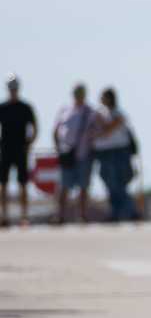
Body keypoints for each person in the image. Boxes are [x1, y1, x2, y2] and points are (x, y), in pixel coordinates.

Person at [50, 84, 103, 226]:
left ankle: (82, 216)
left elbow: (98, 130)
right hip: (66, 154)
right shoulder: (64, 110)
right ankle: (60, 215)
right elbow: (55, 130)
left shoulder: (91, 112)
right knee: (63, 187)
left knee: (83, 187)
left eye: (80, 93)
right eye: (76, 92)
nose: (78, 95)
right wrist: (58, 149)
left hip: (84, 155)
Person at [92, 88, 140, 223]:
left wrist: (99, 126)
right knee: (111, 185)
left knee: (118, 184)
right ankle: (117, 212)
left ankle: (128, 212)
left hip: (118, 153)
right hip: (105, 153)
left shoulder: (118, 113)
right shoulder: (102, 114)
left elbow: (108, 130)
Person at [0, 76, 37, 228]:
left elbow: (34, 127)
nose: (13, 91)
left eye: (15, 88)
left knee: (23, 184)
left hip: (21, 150)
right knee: (3, 184)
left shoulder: (25, 107)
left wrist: (29, 143)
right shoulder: (2, 107)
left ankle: (24, 217)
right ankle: (4, 216)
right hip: (5, 150)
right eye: (11, 88)